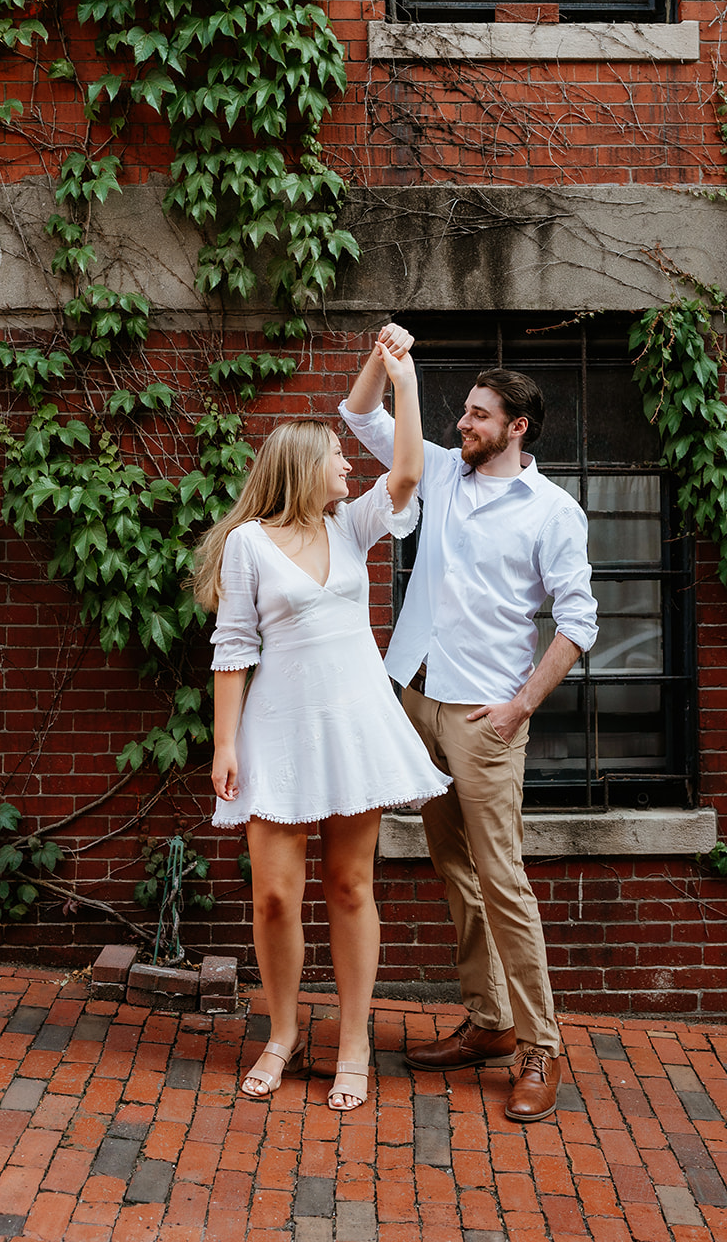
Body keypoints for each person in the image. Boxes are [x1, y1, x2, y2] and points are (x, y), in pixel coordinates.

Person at [341, 324, 598, 1123]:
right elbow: (358, 418)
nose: (463, 423)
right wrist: (384, 361)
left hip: (486, 715)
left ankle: (539, 1046)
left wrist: (521, 704)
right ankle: (488, 1023)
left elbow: (578, 623)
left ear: (517, 427)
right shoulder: (441, 473)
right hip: (415, 695)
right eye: (464, 410)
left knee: (503, 880)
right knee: (453, 870)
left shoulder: (551, 511)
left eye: (480, 416)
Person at [192, 343, 449, 1112]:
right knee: (273, 895)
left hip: (352, 726)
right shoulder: (248, 544)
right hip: (277, 731)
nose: (349, 468)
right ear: (303, 469)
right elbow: (233, 647)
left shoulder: (353, 527)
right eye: (337, 458)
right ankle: (281, 1032)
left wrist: (401, 381)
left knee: (348, 884)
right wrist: (225, 743)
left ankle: (354, 1037)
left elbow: (405, 474)